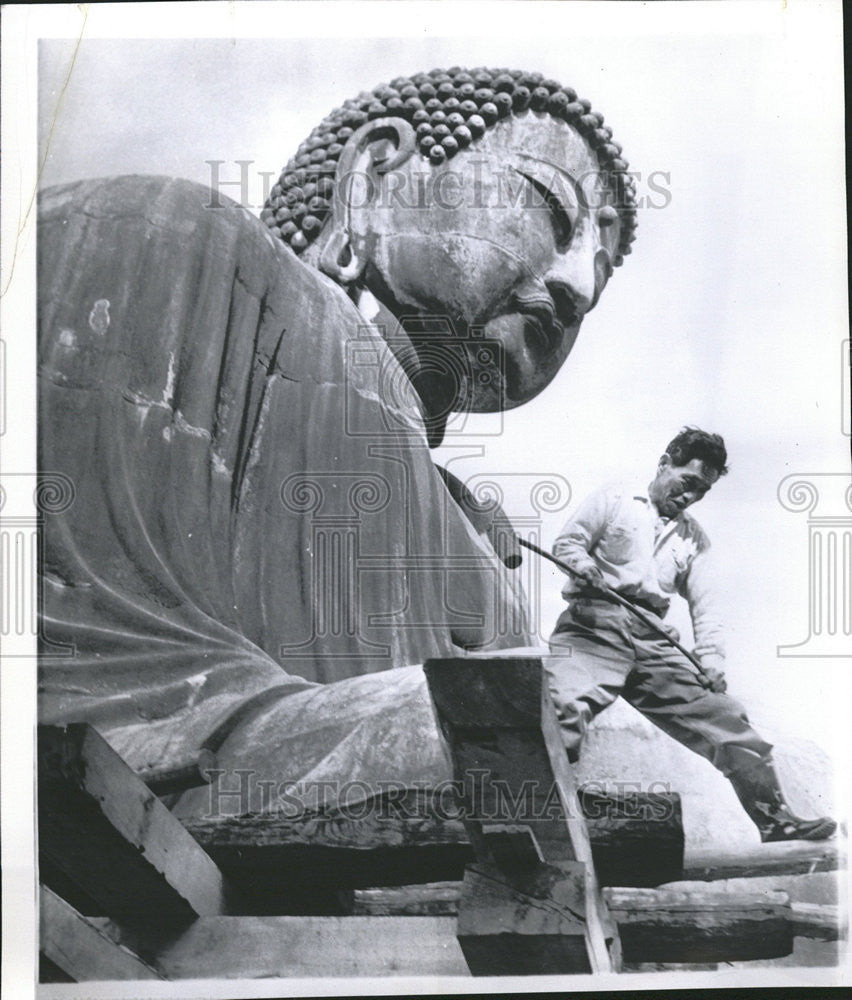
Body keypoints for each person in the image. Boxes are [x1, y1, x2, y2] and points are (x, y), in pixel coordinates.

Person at [38, 67, 634, 777]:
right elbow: (70, 651)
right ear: (375, 175)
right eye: (548, 209)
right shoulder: (170, 238)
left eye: (597, 270)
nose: (579, 287)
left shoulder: (476, 534)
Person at [545, 428, 836, 842]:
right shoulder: (615, 499)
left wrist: (712, 662)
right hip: (593, 625)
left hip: (652, 639)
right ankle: (539, 817)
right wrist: (581, 565)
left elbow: (708, 607)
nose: (691, 497)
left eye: (702, 492)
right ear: (665, 464)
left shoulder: (693, 539)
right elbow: (569, 541)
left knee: (726, 719)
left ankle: (776, 819)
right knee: (561, 708)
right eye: (688, 483)